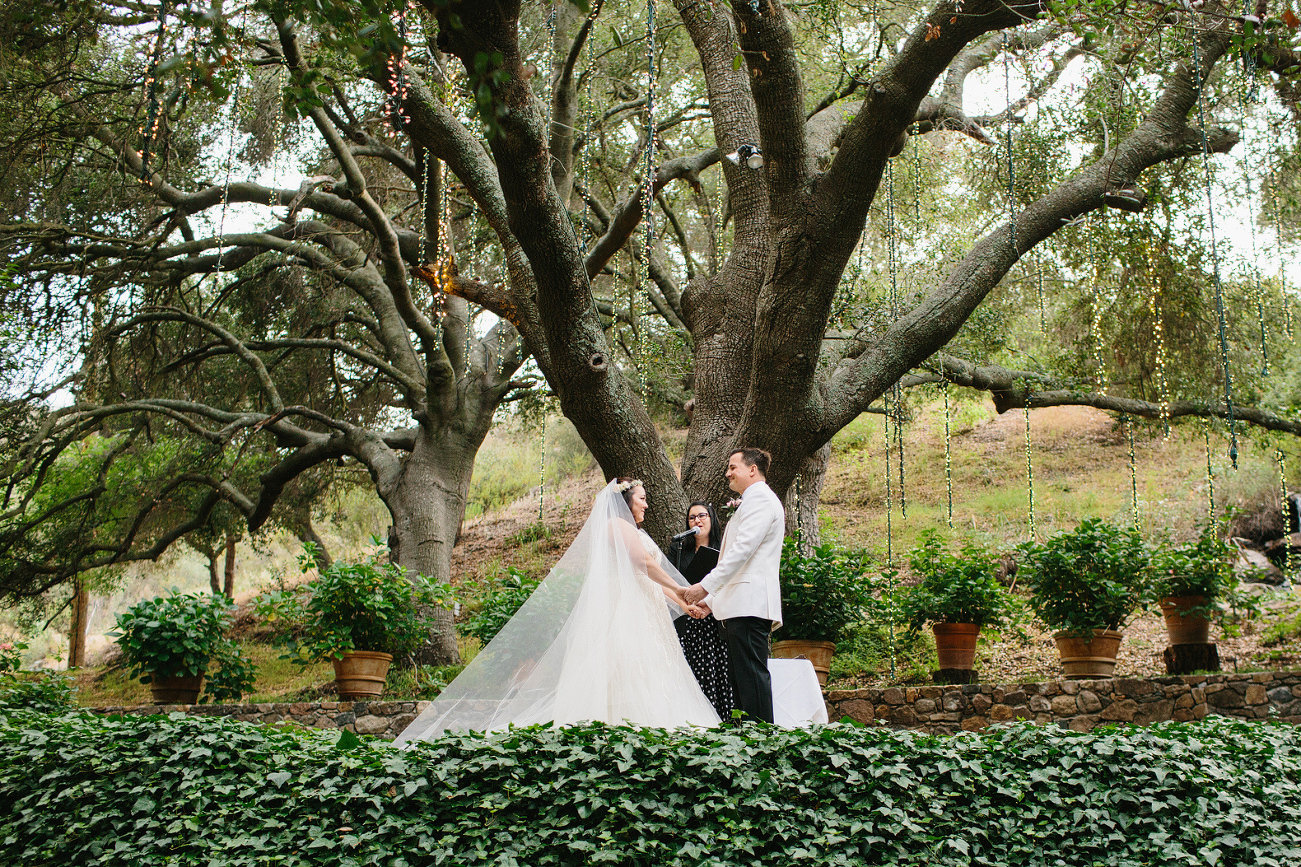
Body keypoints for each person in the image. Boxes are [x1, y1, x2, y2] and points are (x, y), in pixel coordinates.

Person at [394, 479, 720, 743]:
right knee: (627, 667)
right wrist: (680, 589)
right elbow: (643, 563)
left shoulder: (637, 532)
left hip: (648, 611)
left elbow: (649, 576)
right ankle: (625, 729)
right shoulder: (616, 526)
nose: (646, 504)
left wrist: (681, 602)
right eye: (642, 498)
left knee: (654, 669)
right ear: (625, 502)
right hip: (627, 611)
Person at [683, 448, 783, 724]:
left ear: (752, 469)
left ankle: (762, 741)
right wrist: (711, 603)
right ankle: (745, 742)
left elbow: (741, 552)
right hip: (739, 605)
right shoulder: (751, 501)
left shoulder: (760, 500)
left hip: (750, 605)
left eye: (732, 467)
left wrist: (705, 587)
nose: (727, 473)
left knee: (752, 679)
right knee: (741, 682)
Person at [665, 501, 734, 720]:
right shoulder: (678, 550)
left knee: (716, 672)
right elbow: (670, 580)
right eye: (692, 517)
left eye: (702, 516)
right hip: (687, 619)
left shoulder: (723, 550)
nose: (697, 521)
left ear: (712, 519)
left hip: (713, 619)